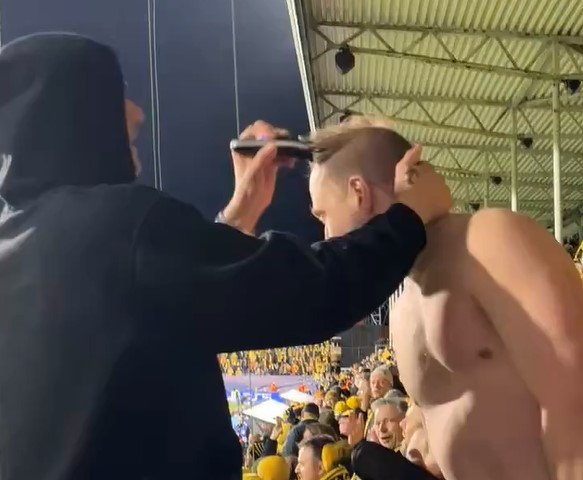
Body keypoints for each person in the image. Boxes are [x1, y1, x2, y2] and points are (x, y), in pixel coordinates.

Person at [0, 34, 451, 480]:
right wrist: (407, 216)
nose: (137, 114)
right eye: (115, 96)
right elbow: (307, 291)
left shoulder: (23, 243)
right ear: (73, 114)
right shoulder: (118, 227)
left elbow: (176, 295)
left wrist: (243, 209)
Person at [306, 115, 583, 480]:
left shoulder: (487, 240)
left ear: (359, 192)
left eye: (323, 215)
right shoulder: (403, 306)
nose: (326, 236)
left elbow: (572, 390)